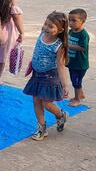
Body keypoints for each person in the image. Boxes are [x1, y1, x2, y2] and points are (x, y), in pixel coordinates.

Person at [25, 12, 70, 141]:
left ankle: (60, 115)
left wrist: (65, 85)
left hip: (49, 77)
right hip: (37, 75)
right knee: (36, 101)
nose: (46, 28)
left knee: (47, 103)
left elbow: (61, 66)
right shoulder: (42, 34)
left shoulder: (59, 45)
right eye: (45, 24)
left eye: (50, 26)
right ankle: (41, 128)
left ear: (60, 30)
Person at [0, 0, 24, 78]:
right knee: (2, 58)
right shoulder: (10, 0)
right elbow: (16, 17)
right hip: (7, 32)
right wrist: (21, 32)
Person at [66, 9, 90, 107]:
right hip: (72, 62)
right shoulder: (71, 31)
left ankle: (77, 99)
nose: (70, 23)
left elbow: (82, 48)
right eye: (69, 20)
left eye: (74, 20)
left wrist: (68, 46)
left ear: (83, 21)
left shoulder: (83, 34)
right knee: (74, 80)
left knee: (76, 81)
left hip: (80, 64)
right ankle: (81, 94)